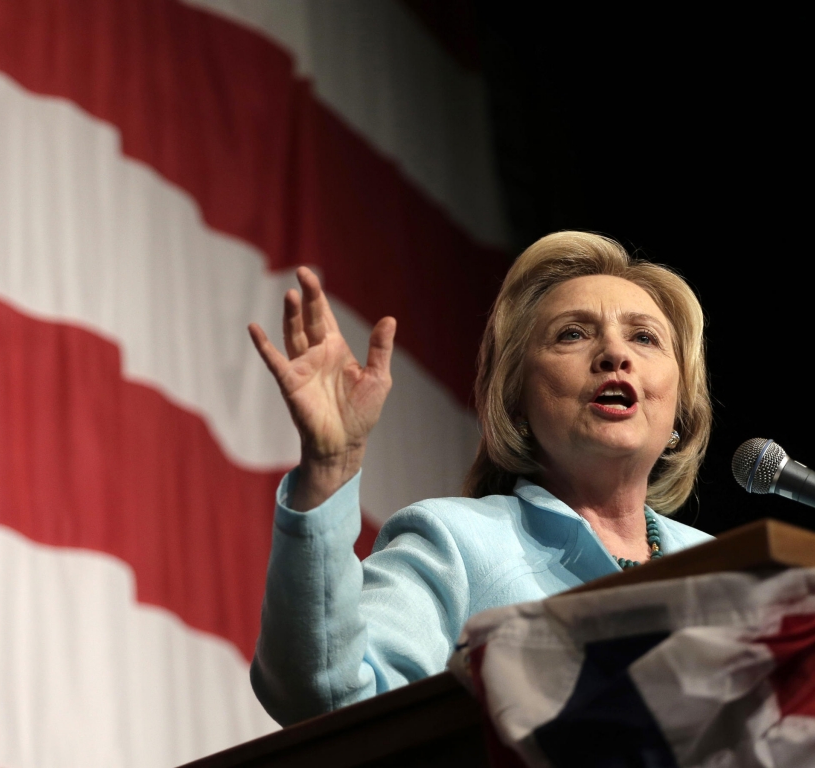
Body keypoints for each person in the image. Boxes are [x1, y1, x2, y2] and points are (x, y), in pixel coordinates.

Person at [246, 232, 714, 726]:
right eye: (572, 334)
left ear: (680, 408)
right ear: (516, 399)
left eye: (644, 337)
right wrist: (330, 464)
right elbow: (327, 695)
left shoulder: (728, 568)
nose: (614, 355)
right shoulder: (457, 544)